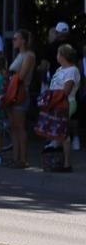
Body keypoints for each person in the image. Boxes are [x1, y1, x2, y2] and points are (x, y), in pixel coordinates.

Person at [43, 43, 80, 172]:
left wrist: (53, 99)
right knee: (58, 132)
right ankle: (57, 161)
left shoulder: (72, 70)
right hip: (55, 103)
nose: (56, 56)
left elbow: (66, 91)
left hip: (66, 103)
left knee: (63, 133)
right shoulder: (60, 69)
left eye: (58, 53)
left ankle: (66, 163)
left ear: (63, 55)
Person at [6, 29, 38, 170]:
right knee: (13, 126)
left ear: (23, 40)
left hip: (20, 93)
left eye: (16, 38)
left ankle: (23, 159)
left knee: (19, 126)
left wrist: (11, 78)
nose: (14, 41)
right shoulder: (19, 54)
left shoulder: (29, 55)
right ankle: (15, 157)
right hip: (13, 93)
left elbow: (22, 75)